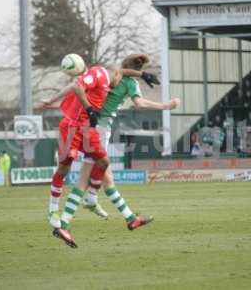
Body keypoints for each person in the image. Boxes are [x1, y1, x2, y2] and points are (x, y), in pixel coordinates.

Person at [41, 55, 159, 247]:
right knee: (74, 174)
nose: (119, 80)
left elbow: (122, 71)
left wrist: (143, 74)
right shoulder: (100, 74)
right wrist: (88, 109)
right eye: (118, 75)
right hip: (75, 128)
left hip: (89, 130)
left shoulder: (112, 76)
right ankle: (60, 213)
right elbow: (77, 86)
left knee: (103, 165)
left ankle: (119, 213)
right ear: (112, 72)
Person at [71, 53, 180, 235]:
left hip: (85, 124)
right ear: (139, 70)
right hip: (100, 129)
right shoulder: (130, 83)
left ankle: (128, 217)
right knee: (86, 178)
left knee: (107, 178)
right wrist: (166, 106)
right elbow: (139, 103)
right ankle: (64, 219)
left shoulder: (111, 74)